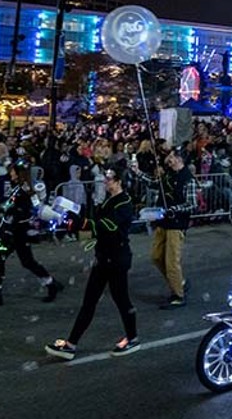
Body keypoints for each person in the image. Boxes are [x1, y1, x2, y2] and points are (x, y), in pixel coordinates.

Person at [46, 165, 140, 360]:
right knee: (89, 302)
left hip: (116, 260)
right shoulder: (110, 200)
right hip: (104, 258)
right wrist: (73, 220)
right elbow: (95, 225)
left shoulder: (124, 203)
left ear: (119, 182)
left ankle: (132, 338)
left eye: (110, 179)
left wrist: (81, 223)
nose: (105, 181)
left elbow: (106, 226)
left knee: (122, 301)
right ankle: (71, 345)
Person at [0, 164, 63, 308]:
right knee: (23, 261)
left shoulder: (24, 190)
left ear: (19, 173)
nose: (11, 174)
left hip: (16, 232)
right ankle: (50, 283)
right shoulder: (21, 188)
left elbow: (30, 210)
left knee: (6, 259)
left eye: (13, 172)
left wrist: (11, 220)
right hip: (16, 232)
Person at [149, 148, 192, 309]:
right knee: (156, 256)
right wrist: (137, 172)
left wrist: (175, 209)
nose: (169, 159)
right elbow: (154, 184)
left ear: (180, 160)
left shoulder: (188, 179)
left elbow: (191, 204)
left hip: (176, 225)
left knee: (172, 262)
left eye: (172, 157)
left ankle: (178, 296)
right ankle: (179, 282)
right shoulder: (168, 175)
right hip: (163, 222)